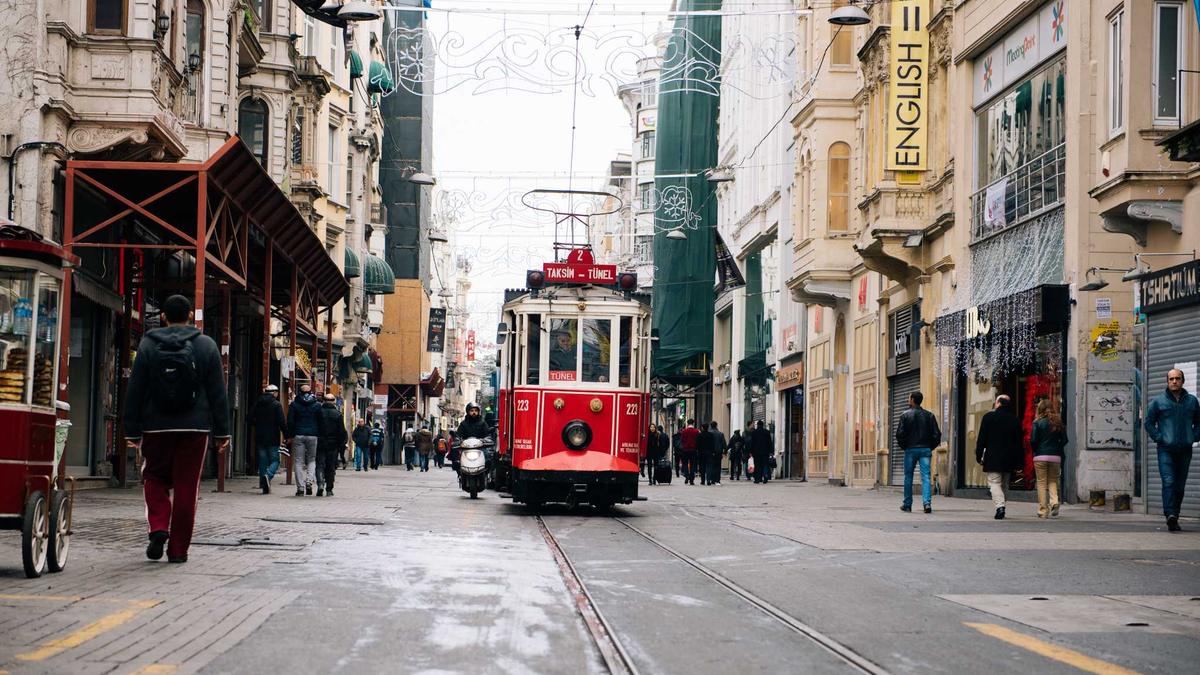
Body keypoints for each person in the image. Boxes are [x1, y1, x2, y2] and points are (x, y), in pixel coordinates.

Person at [123, 294, 229, 564]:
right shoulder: (206, 346)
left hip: (155, 426)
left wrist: (132, 431)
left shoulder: (147, 344)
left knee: (153, 477)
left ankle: (158, 527)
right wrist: (222, 432)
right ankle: (178, 550)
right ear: (190, 317)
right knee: (186, 487)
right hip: (195, 428)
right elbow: (218, 392)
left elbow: (135, 389)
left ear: (162, 316)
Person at [1144, 368, 1200, 532]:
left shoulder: (1192, 401)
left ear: (1182, 381)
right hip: (1165, 450)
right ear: (1167, 382)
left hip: (1185, 450)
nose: (1174, 381)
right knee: (1168, 481)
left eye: (1177, 378)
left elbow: (1198, 422)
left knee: (1180, 486)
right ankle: (1170, 515)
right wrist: (1159, 438)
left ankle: (1175, 514)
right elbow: (1148, 423)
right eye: (1171, 379)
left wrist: (1195, 436)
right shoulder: (1158, 402)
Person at [975, 394, 1024, 520]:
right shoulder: (1015, 419)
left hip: (993, 457)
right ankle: (1001, 505)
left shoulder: (988, 417)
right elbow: (1019, 442)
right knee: (1005, 484)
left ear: (998, 403)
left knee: (994, 483)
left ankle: (1000, 506)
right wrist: (1020, 462)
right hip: (1009, 458)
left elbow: (982, 439)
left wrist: (979, 455)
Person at [896, 391, 942, 514]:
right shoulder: (929, 415)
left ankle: (907, 504)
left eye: (908, 398)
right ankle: (927, 504)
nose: (908, 400)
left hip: (910, 449)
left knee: (908, 477)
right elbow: (937, 434)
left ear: (912, 400)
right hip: (925, 449)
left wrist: (905, 446)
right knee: (926, 477)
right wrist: (930, 447)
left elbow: (899, 434)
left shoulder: (905, 415)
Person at [1029, 399, 1067, 519]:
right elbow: (1065, 440)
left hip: (1040, 455)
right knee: (1053, 481)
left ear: (1039, 409)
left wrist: (1036, 450)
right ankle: (1054, 501)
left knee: (1041, 483)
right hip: (1055, 457)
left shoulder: (1037, 423)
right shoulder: (1058, 422)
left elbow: (1033, 440)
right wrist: (1057, 448)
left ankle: (1043, 510)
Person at [287, 383, 322, 496]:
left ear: (299, 392)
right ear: (311, 392)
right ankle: (309, 482)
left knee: (298, 461)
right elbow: (321, 421)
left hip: (299, 434)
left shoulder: (294, 405)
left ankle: (300, 488)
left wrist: (290, 435)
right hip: (313, 435)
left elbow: (290, 421)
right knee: (312, 460)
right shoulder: (317, 405)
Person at [251, 384, 286, 494]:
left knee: (263, 460)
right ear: (274, 393)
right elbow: (281, 422)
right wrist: (287, 434)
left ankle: (263, 483)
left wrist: (257, 424)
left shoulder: (258, 403)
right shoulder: (276, 405)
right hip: (273, 436)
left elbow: (250, 417)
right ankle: (269, 475)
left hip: (260, 435)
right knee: (275, 460)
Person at [315, 393, 346, 497]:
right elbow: (341, 431)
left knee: (319, 464)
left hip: (320, 442)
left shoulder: (318, 412)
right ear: (334, 401)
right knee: (330, 466)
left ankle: (320, 484)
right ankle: (329, 489)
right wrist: (342, 444)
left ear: (323, 401)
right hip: (333, 444)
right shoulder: (337, 414)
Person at [679, 419, 700, 485]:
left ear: (687, 423)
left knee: (685, 464)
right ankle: (691, 479)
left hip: (685, 450)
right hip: (693, 450)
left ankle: (686, 475)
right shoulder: (696, 431)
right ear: (693, 423)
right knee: (693, 465)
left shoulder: (684, 431)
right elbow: (698, 441)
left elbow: (682, 440)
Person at [707, 421, 727, 486]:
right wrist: (725, 451)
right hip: (718, 452)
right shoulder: (720, 434)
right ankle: (717, 480)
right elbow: (724, 444)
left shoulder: (709, 433)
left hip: (710, 452)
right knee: (718, 466)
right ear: (716, 426)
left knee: (711, 466)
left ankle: (711, 479)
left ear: (710, 425)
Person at [696, 420, 714, 485]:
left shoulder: (699, 435)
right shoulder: (711, 435)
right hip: (709, 453)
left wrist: (697, 451)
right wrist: (713, 451)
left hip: (701, 453)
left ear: (702, 428)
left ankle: (703, 481)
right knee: (709, 467)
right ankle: (708, 480)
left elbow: (697, 445)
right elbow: (713, 444)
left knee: (702, 467)